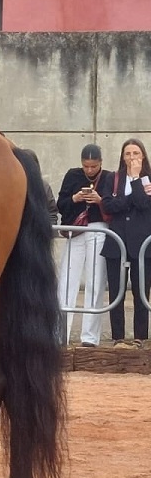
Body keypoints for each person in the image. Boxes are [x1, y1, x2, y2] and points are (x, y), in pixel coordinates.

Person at [56, 144, 109, 346]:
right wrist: (75, 198)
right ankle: (60, 335)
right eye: (86, 166)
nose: (89, 170)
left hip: (98, 227)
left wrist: (99, 200)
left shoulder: (108, 177)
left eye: (93, 166)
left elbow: (113, 206)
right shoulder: (72, 175)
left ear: (100, 163)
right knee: (67, 280)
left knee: (95, 282)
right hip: (75, 230)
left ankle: (90, 338)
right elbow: (61, 204)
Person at [101, 137, 151, 343]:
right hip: (116, 243)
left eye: (136, 153)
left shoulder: (148, 179)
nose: (132, 157)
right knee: (116, 293)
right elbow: (108, 206)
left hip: (142, 245)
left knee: (141, 294)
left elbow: (142, 204)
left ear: (143, 156)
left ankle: (140, 338)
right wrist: (129, 196)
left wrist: (136, 179)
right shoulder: (113, 178)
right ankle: (118, 338)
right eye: (128, 154)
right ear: (122, 157)